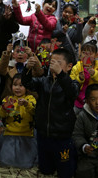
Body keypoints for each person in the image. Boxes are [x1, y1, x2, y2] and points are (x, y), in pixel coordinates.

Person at [22, 48, 79, 177]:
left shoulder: (72, 83)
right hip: (43, 133)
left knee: (66, 172)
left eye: (58, 63)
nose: (53, 66)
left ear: (69, 66)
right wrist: (27, 69)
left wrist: (60, 74)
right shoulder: (44, 81)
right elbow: (27, 83)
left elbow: (72, 92)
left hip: (62, 135)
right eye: (52, 62)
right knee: (45, 170)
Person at [0, 73, 37, 169]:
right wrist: (4, 108)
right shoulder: (8, 99)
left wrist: (26, 104)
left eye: (21, 85)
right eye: (15, 85)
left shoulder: (30, 99)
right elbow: (1, 115)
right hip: (10, 134)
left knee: (26, 163)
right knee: (5, 161)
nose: (17, 88)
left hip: (26, 134)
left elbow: (34, 111)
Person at [70, 42, 98, 114]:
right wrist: (80, 79)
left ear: (96, 55)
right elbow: (71, 85)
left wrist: (95, 74)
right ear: (80, 54)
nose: (87, 56)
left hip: (94, 104)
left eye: (90, 54)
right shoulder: (76, 67)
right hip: (78, 102)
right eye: (84, 53)